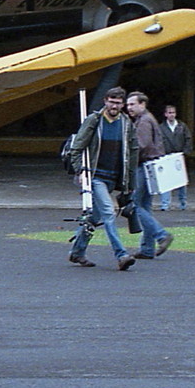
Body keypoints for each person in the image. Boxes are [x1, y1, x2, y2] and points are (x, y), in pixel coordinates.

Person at [65, 88, 136, 270]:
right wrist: (80, 171)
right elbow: (77, 147)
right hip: (96, 176)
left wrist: (130, 184)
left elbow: (132, 153)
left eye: (118, 103)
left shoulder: (126, 123)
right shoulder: (94, 120)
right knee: (108, 213)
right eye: (112, 101)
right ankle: (121, 255)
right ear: (105, 101)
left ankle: (77, 252)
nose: (114, 105)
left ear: (123, 104)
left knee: (95, 217)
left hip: (114, 178)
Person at [126, 92, 173, 260]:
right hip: (150, 166)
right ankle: (147, 248)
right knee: (145, 207)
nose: (128, 108)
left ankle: (161, 235)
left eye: (132, 104)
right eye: (128, 104)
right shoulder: (146, 119)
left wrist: (126, 161)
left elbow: (140, 146)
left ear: (143, 104)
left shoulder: (144, 121)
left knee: (134, 205)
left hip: (143, 166)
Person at [157, 104, 192, 211]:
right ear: (165, 114)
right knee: (165, 182)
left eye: (173, 112)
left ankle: (183, 203)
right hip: (166, 157)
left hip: (179, 157)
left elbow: (188, 139)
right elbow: (157, 142)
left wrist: (185, 153)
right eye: (169, 113)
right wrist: (161, 154)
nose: (171, 115)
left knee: (182, 181)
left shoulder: (182, 126)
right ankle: (165, 204)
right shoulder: (161, 128)